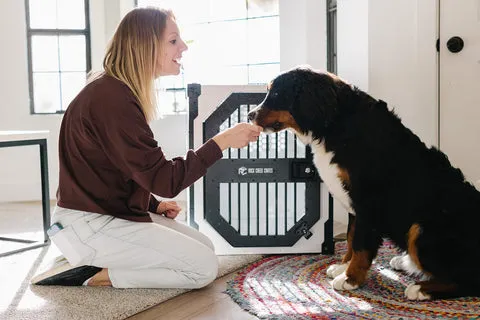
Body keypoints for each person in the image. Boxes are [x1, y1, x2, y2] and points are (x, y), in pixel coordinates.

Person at [30, 7, 262, 289]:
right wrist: (221, 142)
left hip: (105, 215)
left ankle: (97, 259)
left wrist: (152, 205)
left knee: (204, 246)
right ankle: (91, 273)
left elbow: (122, 170)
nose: (184, 47)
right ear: (146, 45)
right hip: (90, 224)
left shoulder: (115, 91)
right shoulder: (111, 99)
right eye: (173, 40)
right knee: (202, 268)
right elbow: (165, 180)